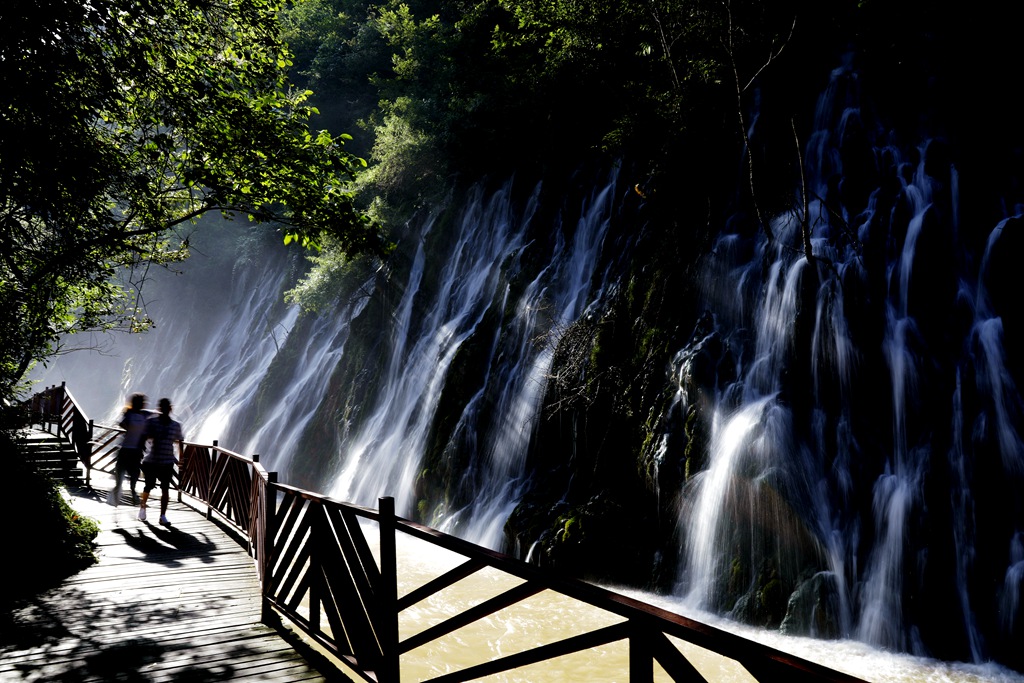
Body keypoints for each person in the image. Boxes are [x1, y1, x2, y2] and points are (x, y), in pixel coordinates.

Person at [137, 397, 183, 525]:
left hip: (167, 460)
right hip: (152, 459)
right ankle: (143, 506)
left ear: (170, 408)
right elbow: (144, 436)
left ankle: (162, 516)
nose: (166, 410)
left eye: (167, 407)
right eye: (164, 407)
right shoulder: (152, 422)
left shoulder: (176, 425)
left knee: (165, 488)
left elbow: (180, 441)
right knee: (149, 485)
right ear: (160, 409)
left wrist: (181, 458)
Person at [110, 393, 148, 505]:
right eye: (141, 402)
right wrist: (130, 430)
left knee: (135, 472)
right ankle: (117, 492)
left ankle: (133, 491)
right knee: (121, 470)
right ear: (136, 403)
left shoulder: (144, 415)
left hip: (137, 448)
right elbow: (121, 423)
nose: (143, 404)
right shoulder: (129, 413)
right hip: (126, 447)